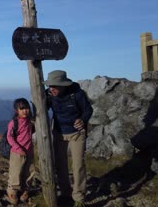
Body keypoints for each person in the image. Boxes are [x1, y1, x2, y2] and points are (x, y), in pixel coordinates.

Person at [44, 70, 93, 207]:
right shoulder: (49, 95)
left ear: (64, 85)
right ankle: (66, 193)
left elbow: (88, 110)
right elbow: (41, 109)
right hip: (59, 132)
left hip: (77, 133)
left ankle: (78, 197)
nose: (52, 88)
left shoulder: (77, 94)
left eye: (55, 86)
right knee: (60, 165)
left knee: (78, 165)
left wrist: (83, 120)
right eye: (50, 86)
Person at [6, 98, 34, 205]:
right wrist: (18, 149)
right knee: (15, 172)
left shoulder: (30, 121)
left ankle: (25, 190)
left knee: (28, 172)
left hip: (29, 151)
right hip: (17, 152)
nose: (25, 111)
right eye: (21, 109)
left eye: (26, 108)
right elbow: (10, 137)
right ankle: (12, 191)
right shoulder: (14, 123)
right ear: (16, 110)